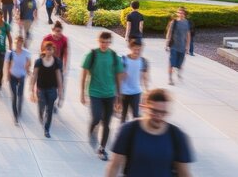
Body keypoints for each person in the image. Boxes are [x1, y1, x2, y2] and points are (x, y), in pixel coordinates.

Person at [106, 88, 194, 177]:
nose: (159, 116)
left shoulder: (176, 135)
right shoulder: (129, 130)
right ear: (145, 107)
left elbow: (184, 172)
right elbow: (114, 166)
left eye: (163, 112)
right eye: (154, 111)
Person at [80, 32, 124, 161]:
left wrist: (119, 97)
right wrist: (82, 93)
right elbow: (84, 74)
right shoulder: (92, 54)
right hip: (95, 93)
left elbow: (118, 77)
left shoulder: (115, 56)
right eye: (102, 42)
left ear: (110, 42)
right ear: (98, 41)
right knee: (96, 117)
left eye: (107, 42)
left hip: (110, 94)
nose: (104, 44)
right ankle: (92, 129)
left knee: (107, 123)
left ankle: (102, 149)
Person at [29, 42, 63, 138]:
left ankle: (47, 129)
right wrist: (31, 89)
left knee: (50, 110)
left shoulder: (56, 62)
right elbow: (34, 75)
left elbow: (59, 76)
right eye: (47, 48)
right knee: (41, 107)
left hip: (52, 90)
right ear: (44, 50)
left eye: (50, 49)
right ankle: (40, 115)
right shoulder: (39, 61)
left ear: (53, 50)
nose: (49, 50)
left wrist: (60, 90)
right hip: (41, 89)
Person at [120, 39, 150, 123]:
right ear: (130, 48)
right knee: (123, 115)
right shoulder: (124, 59)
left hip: (136, 92)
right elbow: (118, 77)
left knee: (136, 115)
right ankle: (122, 133)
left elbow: (145, 78)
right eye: (135, 49)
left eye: (139, 49)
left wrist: (147, 91)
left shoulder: (143, 61)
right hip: (124, 91)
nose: (137, 51)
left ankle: (134, 134)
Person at [5, 36, 31, 125]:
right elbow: (8, 64)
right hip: (13, 76)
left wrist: (27, 67)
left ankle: (19, 109)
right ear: (15, 43)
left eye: (21, 42)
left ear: (22, 43)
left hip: (22, 77)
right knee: (14, 96)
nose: (19, 43)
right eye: (17, 42)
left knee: (20, 95)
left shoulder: (26, 52)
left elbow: (29, 62)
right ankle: (15, 116)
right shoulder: (10, 52)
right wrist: (7, 75)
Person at [165, 7, 191, 85]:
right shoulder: (174, 22)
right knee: (171, 63)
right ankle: (170, 79)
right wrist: (166, 43)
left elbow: (188, 35)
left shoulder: (186, 23)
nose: (180, 14)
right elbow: (169, 33)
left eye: (182, 13)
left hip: (182, 47)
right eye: (179, 13)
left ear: (184, 14)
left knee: (180, 64)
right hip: (173, 46)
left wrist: (187, 47)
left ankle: (179, 73)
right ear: (177, 13)